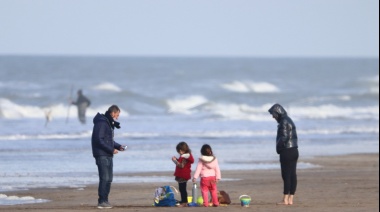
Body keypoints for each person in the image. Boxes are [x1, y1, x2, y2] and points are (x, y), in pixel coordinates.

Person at [91, 105, 126, 209]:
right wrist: (111, 149)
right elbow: (98, 139)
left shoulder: (108, 123)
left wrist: (119, 146)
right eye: (117, 115)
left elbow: (108, 140)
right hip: (101, 154)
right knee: (104, 178)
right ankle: (101, 201)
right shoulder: (102, 122)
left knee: (109, 179)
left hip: (107, 154)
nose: (117, 117)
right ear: (113, 113)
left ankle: (105, 200)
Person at [268, 103, 299, 205]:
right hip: (294, 149)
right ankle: (291, 199)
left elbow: (284, 137)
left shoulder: (283, 121)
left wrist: (279, 149)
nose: (273, 116)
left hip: (287, 151)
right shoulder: (289, 120)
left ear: (278, 113)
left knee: (286, 175)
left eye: (273, 114)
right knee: (292, 174)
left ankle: (285, 199)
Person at [172, 141, 194, 207]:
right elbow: (181, 163)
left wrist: (175, 161)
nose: (179, 152)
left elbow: (181, 165)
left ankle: (184, 202)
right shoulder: (184, 156)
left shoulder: (185, 157)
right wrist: (177, 159)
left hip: (183, 175)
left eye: (179, 151)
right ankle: (183, 200)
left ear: (182, 150)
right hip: (182, 175)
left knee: (183, 189)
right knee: (181, 188)